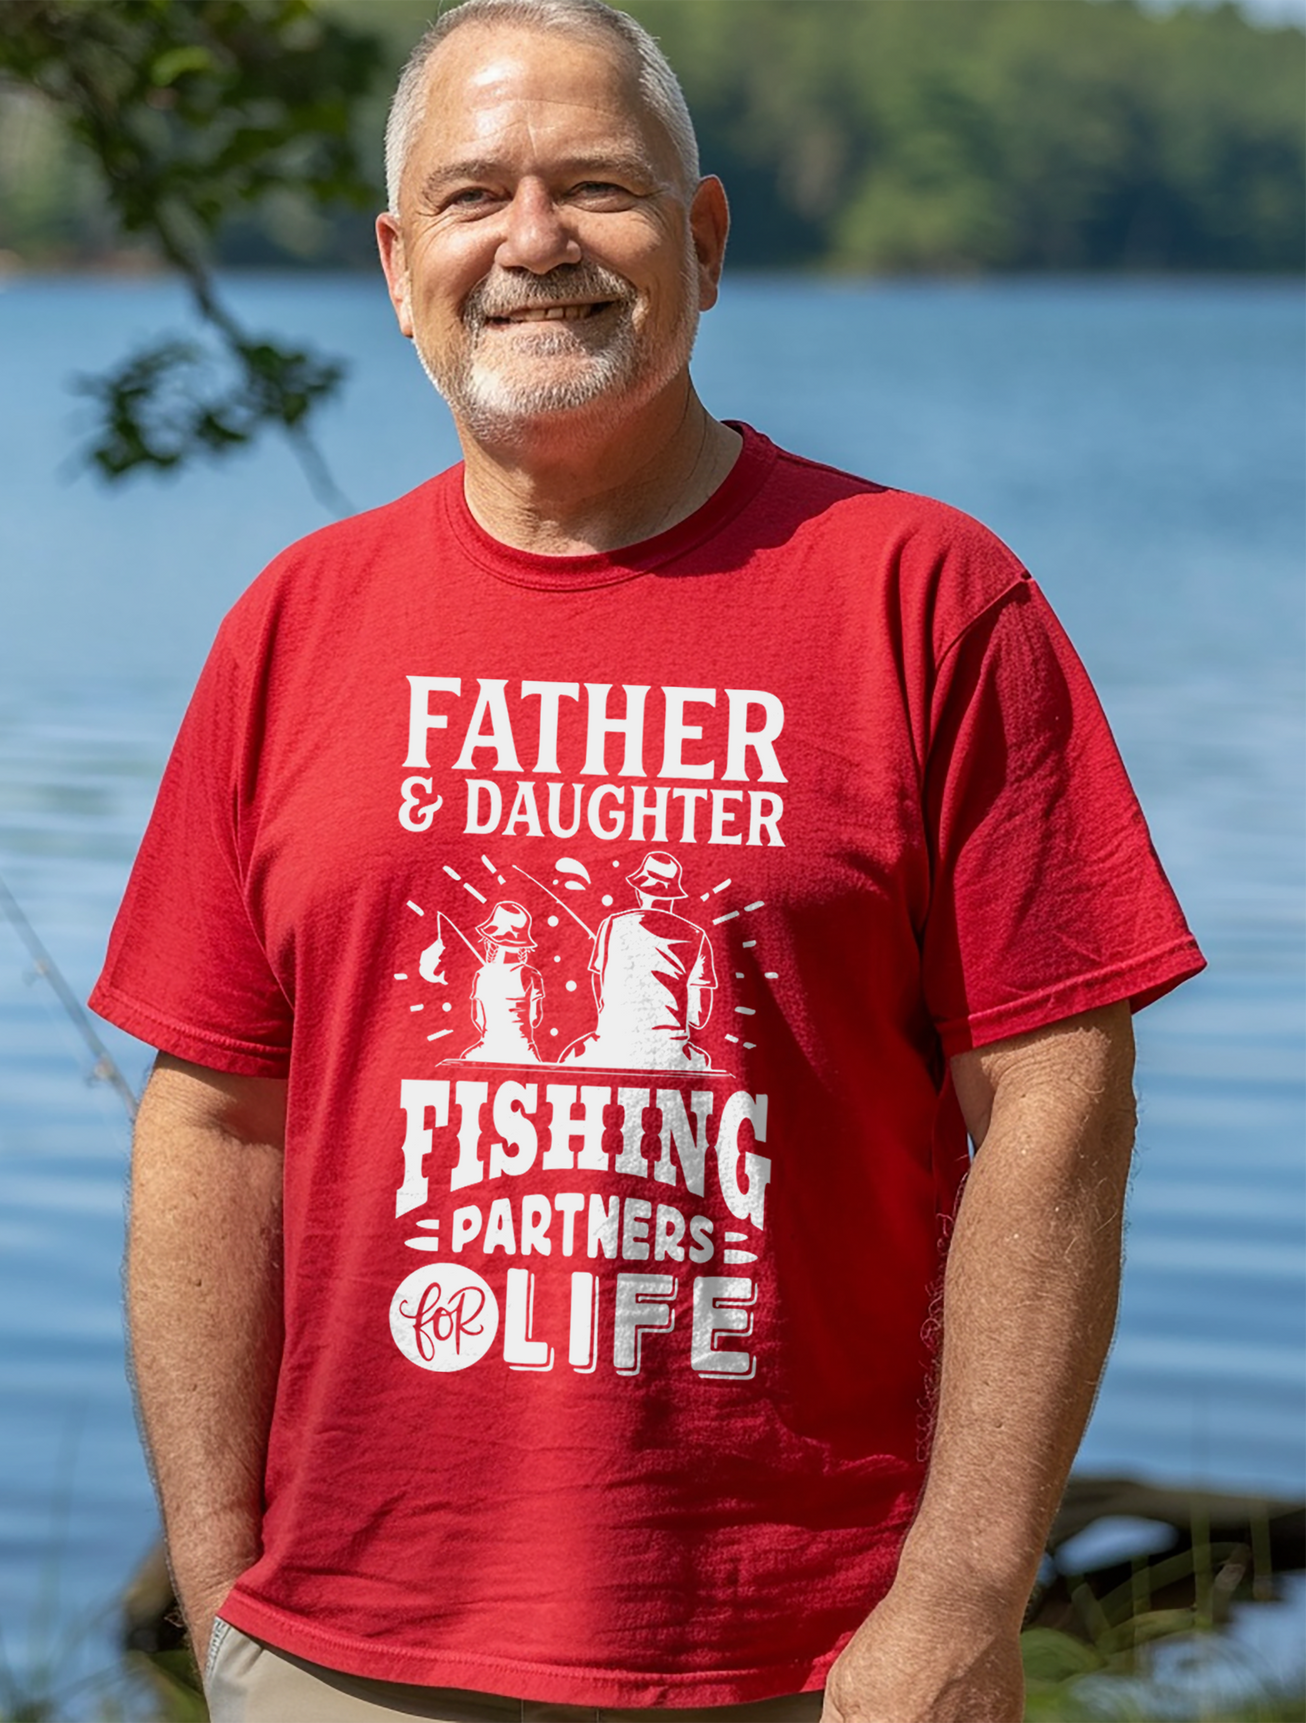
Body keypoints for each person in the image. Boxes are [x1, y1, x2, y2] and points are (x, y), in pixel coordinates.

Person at [91, 3, 1205, 1720]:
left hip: (808, 1657)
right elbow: (213, 1109)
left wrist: (963, 1589)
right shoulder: (298, 626)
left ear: (702, 238)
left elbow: (1060, 1094)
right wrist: (226, 1575)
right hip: (345, 1654)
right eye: (473, 197)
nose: (531, 243)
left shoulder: (921, 597)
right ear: (400, 266)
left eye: (596, 186)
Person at [559, 850, 717, 1071]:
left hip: (611, 1044)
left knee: (568, 1060)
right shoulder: (697, 936)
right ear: (672, 894)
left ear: (639, 889)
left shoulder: (611, 925)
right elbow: (699, 1018)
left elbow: (601, 993)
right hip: (672, 1051)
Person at [461, 900, 546, 1062]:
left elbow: (478, 1019)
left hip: (487, 1049)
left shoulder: (481, 975)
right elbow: (535, 1018)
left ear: (491, 940)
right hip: (524, 1051)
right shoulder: (531, 975)